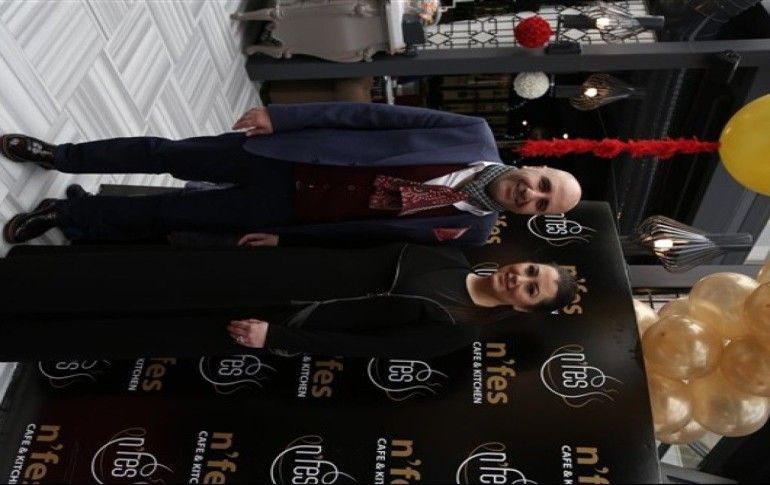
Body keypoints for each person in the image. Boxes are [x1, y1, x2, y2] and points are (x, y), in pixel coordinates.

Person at [1, 102, 581, 247]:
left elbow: (368, 243)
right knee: (165, 153)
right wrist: (283, 118)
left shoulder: (472, 234)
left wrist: (287, 240)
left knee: (169, 213)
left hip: (289, 214)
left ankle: (64, 213)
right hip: (290, 155)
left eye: (540, 204)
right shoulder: (471, 132)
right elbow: (371, 117)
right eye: (542, 183)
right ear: (537, 166)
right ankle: (60, 156)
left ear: (532, 215)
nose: (530, 194)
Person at [0, 244, 577, 361]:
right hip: (274, 273)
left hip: (274, 320)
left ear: (526, 309)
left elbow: (362, 350)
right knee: (144, 280)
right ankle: (19, 283)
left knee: (133, 333)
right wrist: (283, 241)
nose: (520, 279)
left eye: (532, 289)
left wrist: (278, 339)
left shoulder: (456, 331)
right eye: (531, 270)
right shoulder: (451, 255)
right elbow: (361, 239)